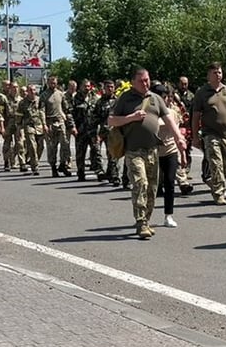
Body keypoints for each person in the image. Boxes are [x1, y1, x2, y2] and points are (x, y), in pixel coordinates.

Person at [109, 68, 186, 239]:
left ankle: (147, 220)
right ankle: (141, 221)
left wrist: (179, 138)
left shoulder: (156, 98)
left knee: (152, 188)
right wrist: (131, 117)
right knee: (140, 183)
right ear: (133, 82)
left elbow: (169, 120)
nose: (145, 83)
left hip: (153, 151)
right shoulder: (125, 99)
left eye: (147, 80)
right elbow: (112, 120)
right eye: (141, 81)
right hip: (133, 151)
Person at [192, 62, 226, 206]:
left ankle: (215, 181)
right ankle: (219, 193)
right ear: (208, 75)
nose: (217, 75)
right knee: (216, 162)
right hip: (210, 133)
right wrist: (195, 136)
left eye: (219, 72)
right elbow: (195, 116)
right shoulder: (202, 93)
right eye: (214, 73)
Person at [154, 83, 186, 228]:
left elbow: (178, 134)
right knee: (150, 186)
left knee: (170, 182)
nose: (167, 99)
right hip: (153, 152)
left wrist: (183, 154)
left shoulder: (172, 113)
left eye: (169, 97)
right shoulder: (150, 113)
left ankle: (168, 215)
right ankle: (144, 215)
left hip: (170, 151)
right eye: (164, 97)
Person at [41, 77, 75, 177]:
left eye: (54, 83)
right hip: (50, 122)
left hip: (60, 121)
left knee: (65, 144)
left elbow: (66, 108)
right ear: (48, 83)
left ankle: (63, 164)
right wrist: (44, 124)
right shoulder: (44, 95)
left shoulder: (60, 94)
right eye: (51, 83)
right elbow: (42, 111)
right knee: (52, 146)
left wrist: (68, 121)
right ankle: (53, 167)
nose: (53, 84)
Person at [72, 80, 99, 180]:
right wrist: (73, 127)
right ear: (80, 87)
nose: (87, 88)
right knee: (80, 153)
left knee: (96, 151)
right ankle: (81, 172)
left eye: (88, 86)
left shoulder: (95, 97)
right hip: (81, 130)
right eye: (85, 86)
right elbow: (71, 114)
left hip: (92, 130)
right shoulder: (76, 98)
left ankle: (98, 171)